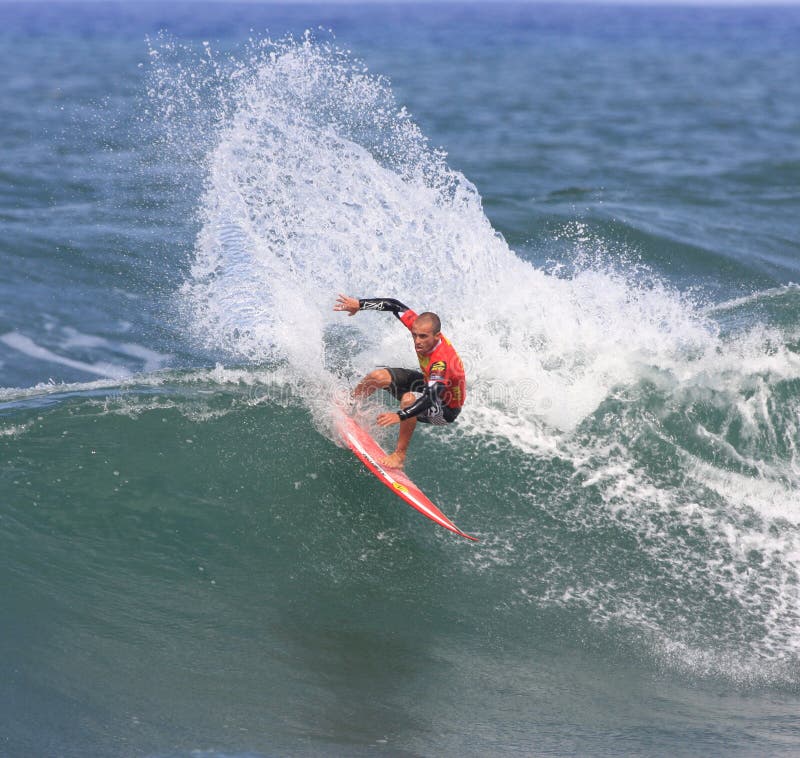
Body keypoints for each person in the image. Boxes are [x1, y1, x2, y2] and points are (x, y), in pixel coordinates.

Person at [333, 294, 466, 468]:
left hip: (445, 408)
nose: (417, 341)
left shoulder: (441, 362)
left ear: (437, 336)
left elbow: (431, 397)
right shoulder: (421, 329)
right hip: (428, 383)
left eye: (423, 337)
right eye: (414, 335)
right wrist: (360, 304)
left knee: (408, 400)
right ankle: (349, 404)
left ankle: (399, 456)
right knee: (377, 377)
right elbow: (394, 305)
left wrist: (400, 415)